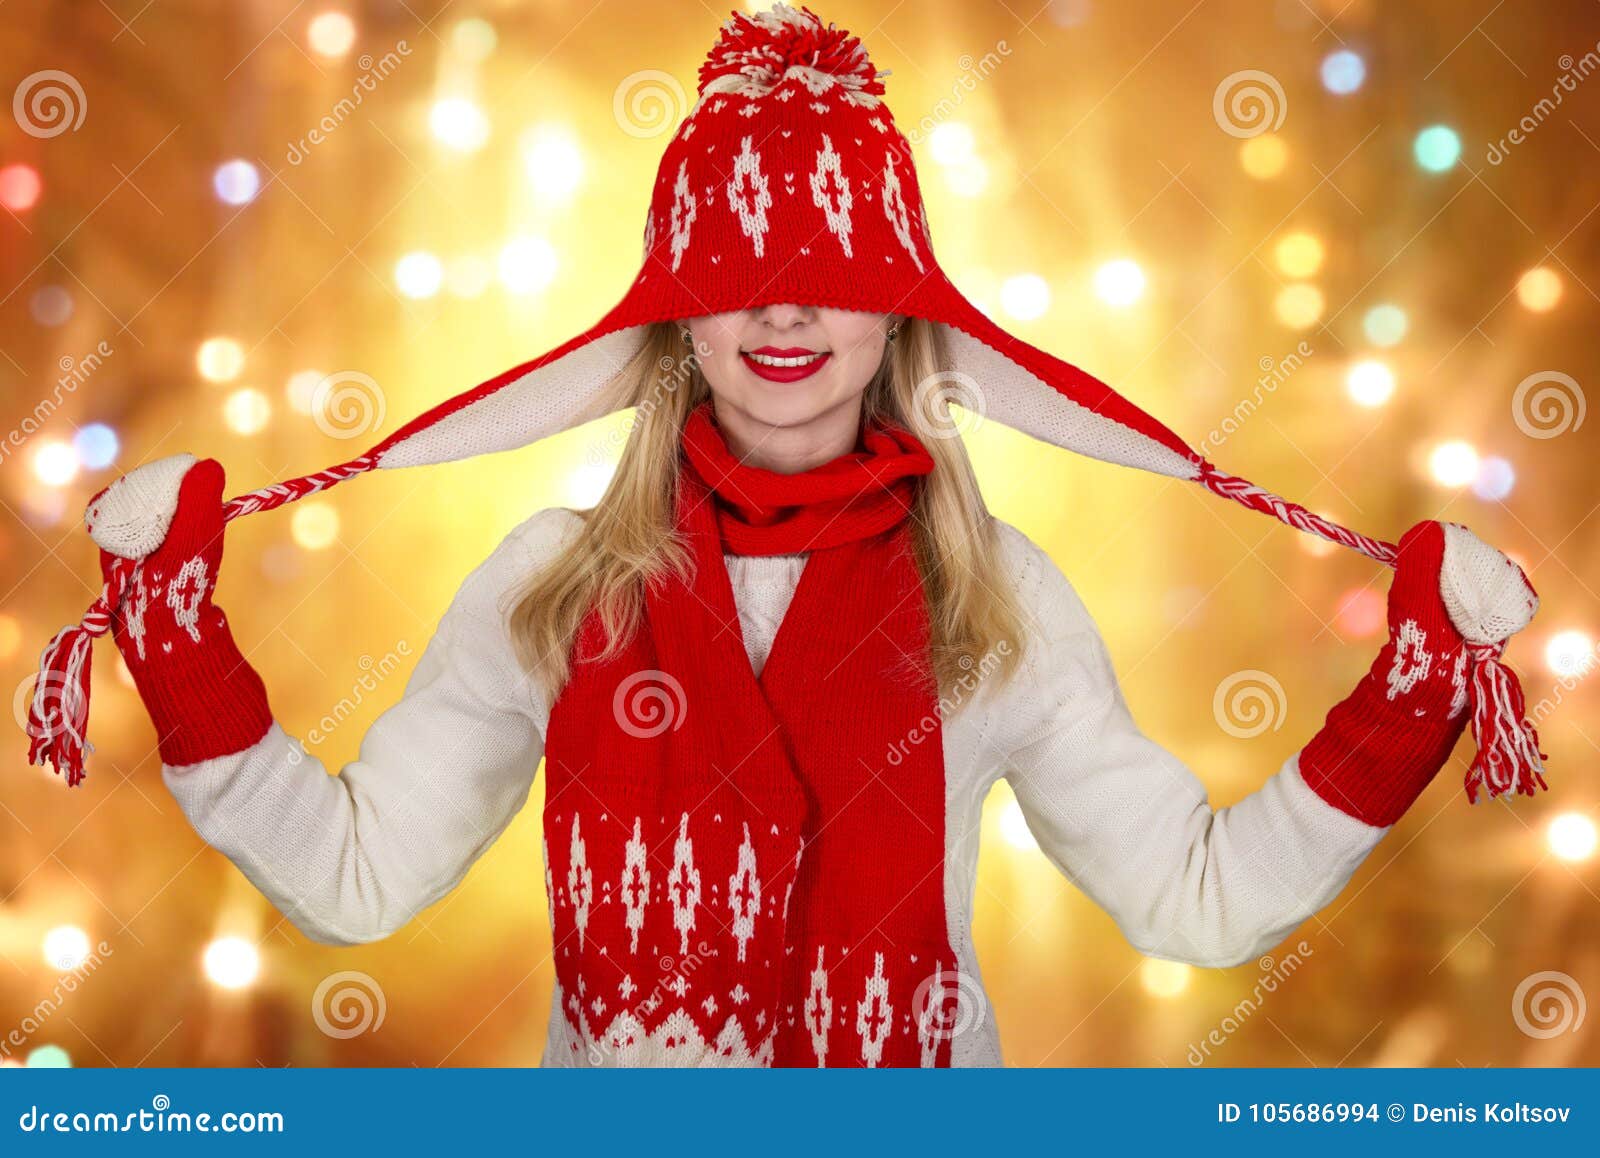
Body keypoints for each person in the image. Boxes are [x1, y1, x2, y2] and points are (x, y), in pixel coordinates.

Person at [56, 4, 1541, 1068]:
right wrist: (180, 646)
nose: (783, 313)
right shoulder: (548, 588)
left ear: (902, 306)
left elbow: (1195, 898)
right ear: (671, 312)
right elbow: (358, 877)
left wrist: (1410, 693)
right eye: (738, 271)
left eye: (828, 270)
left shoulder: (997, 600)